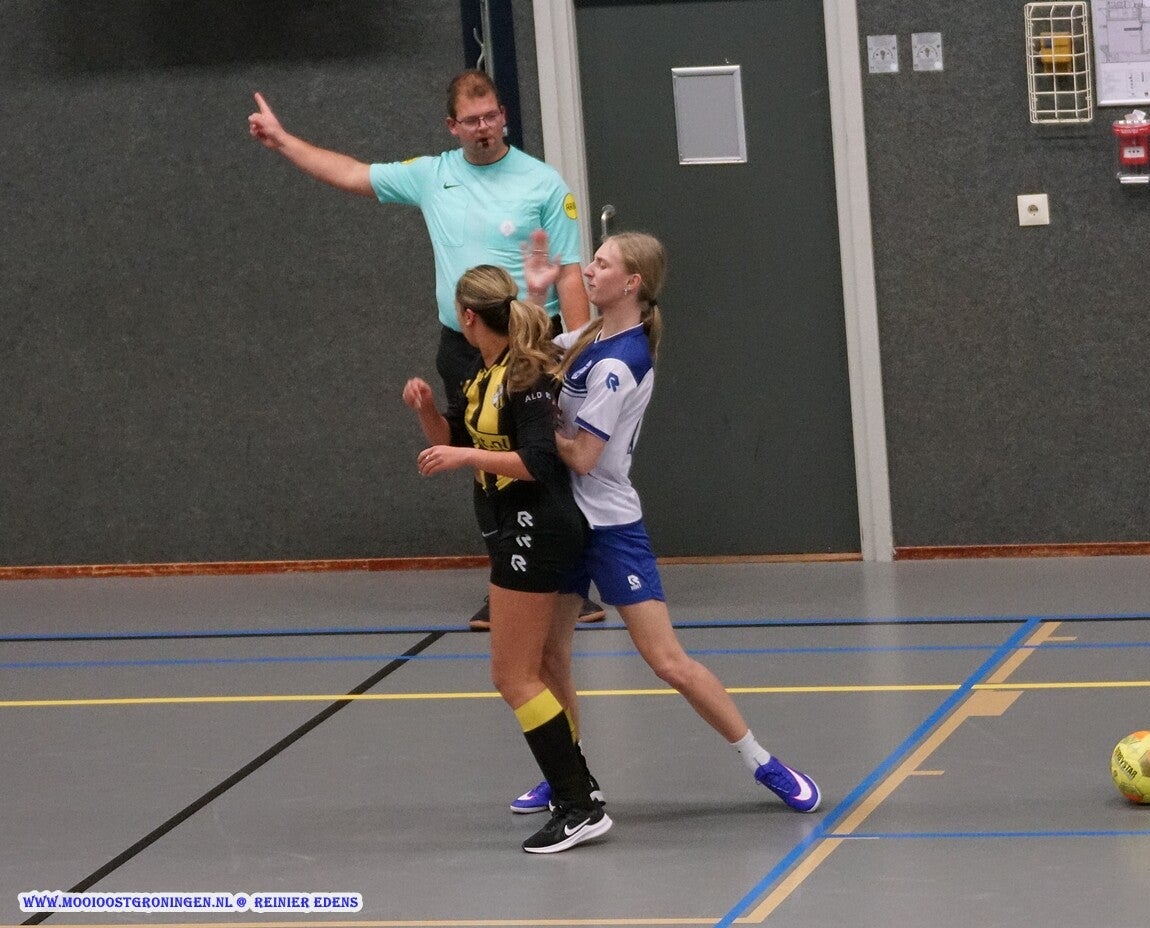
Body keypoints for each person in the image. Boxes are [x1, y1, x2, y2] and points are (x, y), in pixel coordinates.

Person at [249, 69, 605, 629]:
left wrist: (579, 361)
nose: (483, 128)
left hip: (530, 346)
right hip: (464, 347)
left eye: (491, 116)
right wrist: (283, 140)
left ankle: (566, 584)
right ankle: (507, 579)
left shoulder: (543, 184)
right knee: (481, 458)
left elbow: (568, 275)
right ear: (452, 126)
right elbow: (352, 173)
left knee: (541, 459)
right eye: (471, 120)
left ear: (504, 116)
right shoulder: (432, 175)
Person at [505, 231, 822, 817]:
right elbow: (532, 354)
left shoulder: (619, 363)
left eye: (602, 264)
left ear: (632, 283)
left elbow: (583, 457)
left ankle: (763, 761)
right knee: (551, 658)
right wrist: (535, 293)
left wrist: (537, 432)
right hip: (563, 520)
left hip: (609, 527)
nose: (589, 270)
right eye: (592, 261)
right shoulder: (591, 336)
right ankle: (568, 775)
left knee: (667, 661)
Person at [401, 241, 609, 853]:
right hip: (512, 527)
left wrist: (462, 457)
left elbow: (540, 461)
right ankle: (580, 790)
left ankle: (578, 805)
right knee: (533, 669)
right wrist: (426, 413)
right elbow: (454, 432)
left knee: (512, 675)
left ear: (468, 316)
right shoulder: (482, 374)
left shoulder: (526, 375)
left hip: (535, 526)